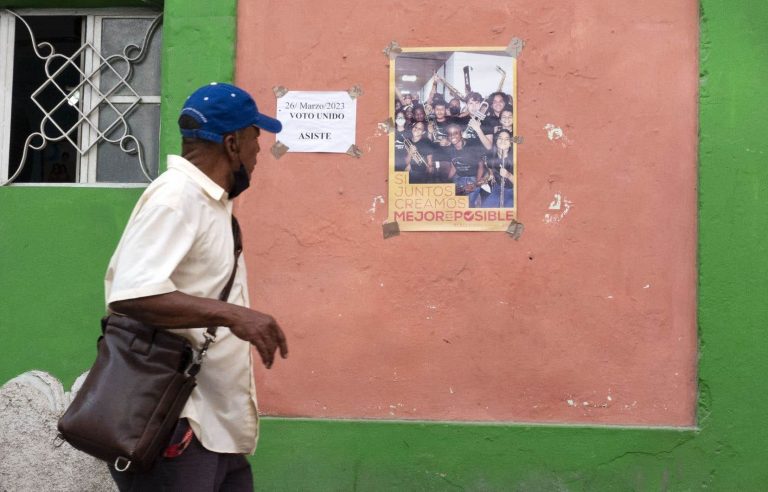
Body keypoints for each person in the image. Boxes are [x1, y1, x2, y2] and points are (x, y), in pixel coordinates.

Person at [103, 82, 289, 491]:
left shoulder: (211, 203)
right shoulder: (177, 197)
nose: (259, 152)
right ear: (232, 143)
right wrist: (234, 314)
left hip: (214, 424)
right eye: (255, 137)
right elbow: (132, 293)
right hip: (177, 423)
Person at [481, 129, 514, 208]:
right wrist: (488, 176)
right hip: (498, 188)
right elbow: (490, 170)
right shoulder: (491, 157)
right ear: (496, 141)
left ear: (510, 143)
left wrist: (509, 175)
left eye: (507, 139)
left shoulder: (515, 158)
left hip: (513, 191)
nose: (503, 140)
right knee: (486, 209)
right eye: (500, 138)